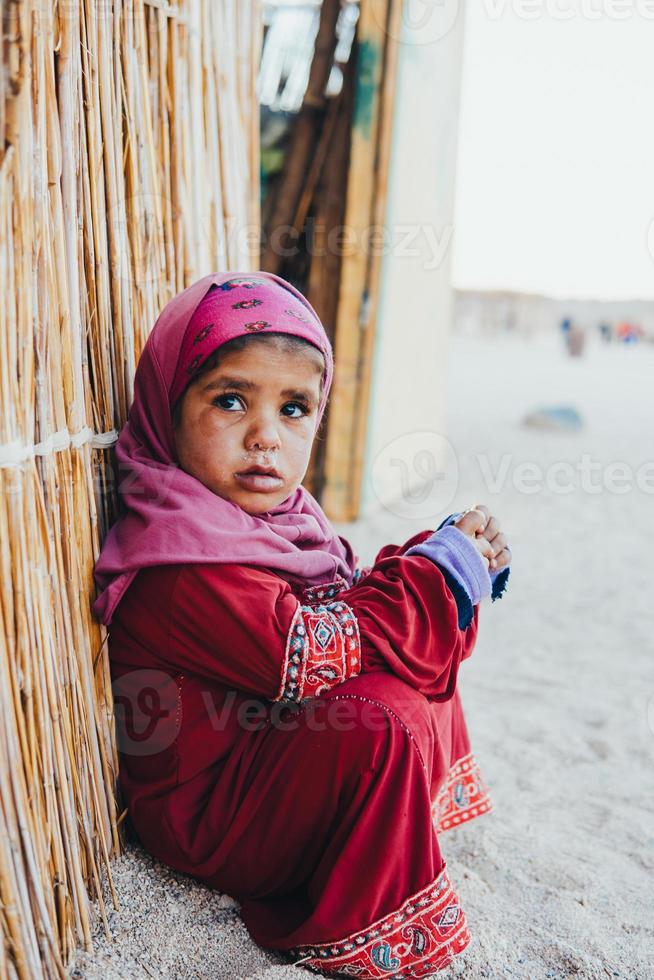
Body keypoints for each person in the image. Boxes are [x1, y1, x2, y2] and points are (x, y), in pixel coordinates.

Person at [92, 271, 511, 978]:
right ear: (167, 407)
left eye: (294, 409)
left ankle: (390, 827)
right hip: (210, 813)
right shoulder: (177, 558)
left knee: (416, 652)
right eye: (230, 401)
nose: (265, 437)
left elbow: (350, 602)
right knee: (377, 716)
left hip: (267, 756)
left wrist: (439, 562)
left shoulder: (285, 523)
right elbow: (310, 652)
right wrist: (437, 576)